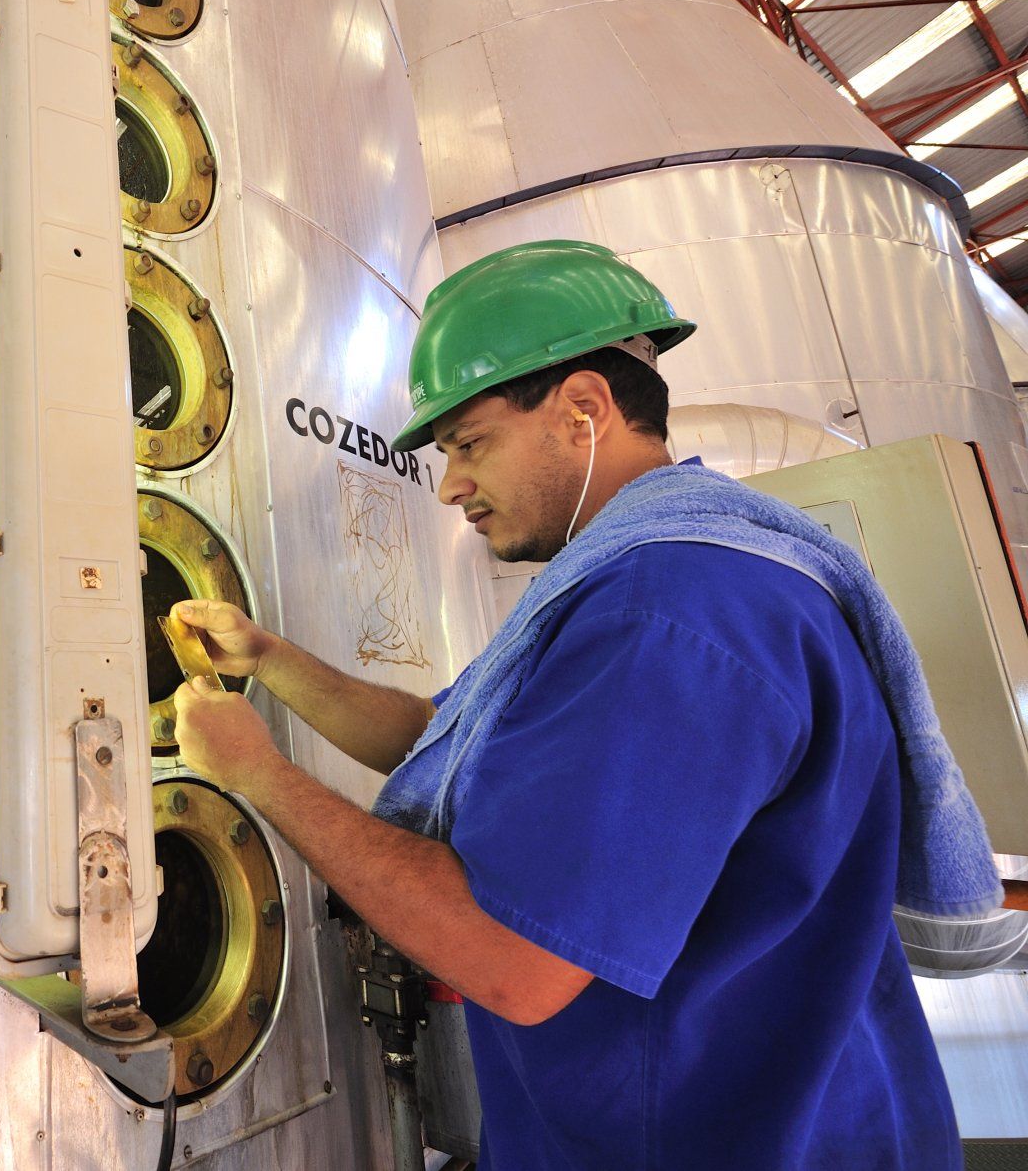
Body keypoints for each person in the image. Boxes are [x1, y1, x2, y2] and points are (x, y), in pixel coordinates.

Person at [170, 240, 996, 1170]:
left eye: (470, 443)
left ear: (584, 408)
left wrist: (258, 775)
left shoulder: (665, 614)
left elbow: (515, 961)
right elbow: (446, 744)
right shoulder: (671, 583)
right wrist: (271, 660)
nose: (450, 485)